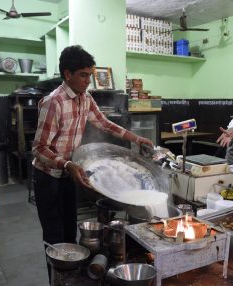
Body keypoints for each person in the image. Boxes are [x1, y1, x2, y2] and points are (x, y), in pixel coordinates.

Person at [32, 45, 153, 283]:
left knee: (70, 230)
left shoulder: (85, 98)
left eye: (91, 75)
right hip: (47, 176)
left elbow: (105, 124)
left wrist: (136, 138)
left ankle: (72, 279)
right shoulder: (53, 102)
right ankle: (56, 280)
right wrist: (66, 164)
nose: (89, 81)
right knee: (55, 236)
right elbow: (38, 148)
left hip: (69, 173)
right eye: (84, 75)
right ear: (68, 74)